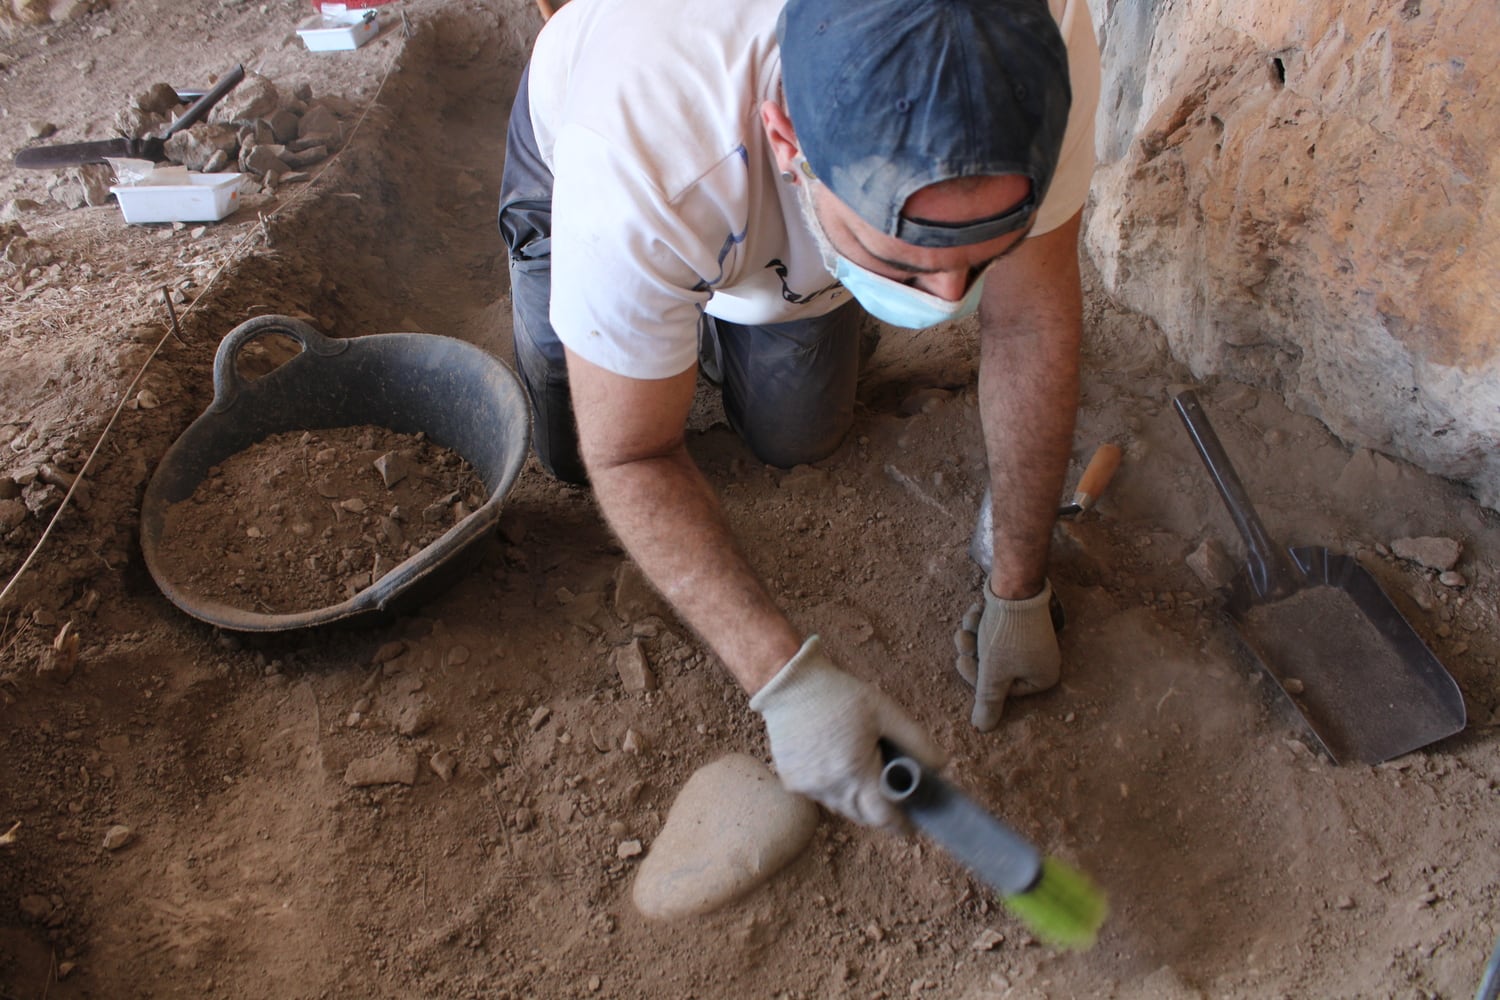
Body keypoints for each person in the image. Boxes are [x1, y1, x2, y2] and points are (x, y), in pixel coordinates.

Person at [498, 0, 1101, 828]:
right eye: (906, 263)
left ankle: (721, 299)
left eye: (983, 254)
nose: (951, 298)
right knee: (567, 444)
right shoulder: (642, 143)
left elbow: (1028, 319)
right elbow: (631, 453)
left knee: (798, 437)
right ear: (789, 146)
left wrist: (1021, 585)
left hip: (763, 220)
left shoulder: (1041, 46)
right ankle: (665, 300)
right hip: (605, 162)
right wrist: (786, 684)